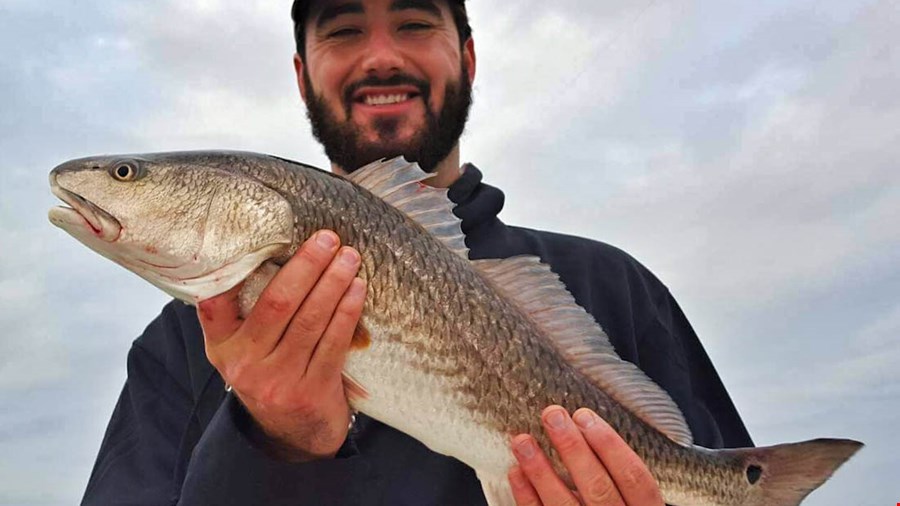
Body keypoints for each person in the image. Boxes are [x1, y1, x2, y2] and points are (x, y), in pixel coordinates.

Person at [82, 0, 752, 504]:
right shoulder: (178, 347)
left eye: (414, 22)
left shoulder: (614, 288)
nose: (379, 57)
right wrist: (264, 446)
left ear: (468, 55)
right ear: (300, 72)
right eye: (343, 29)